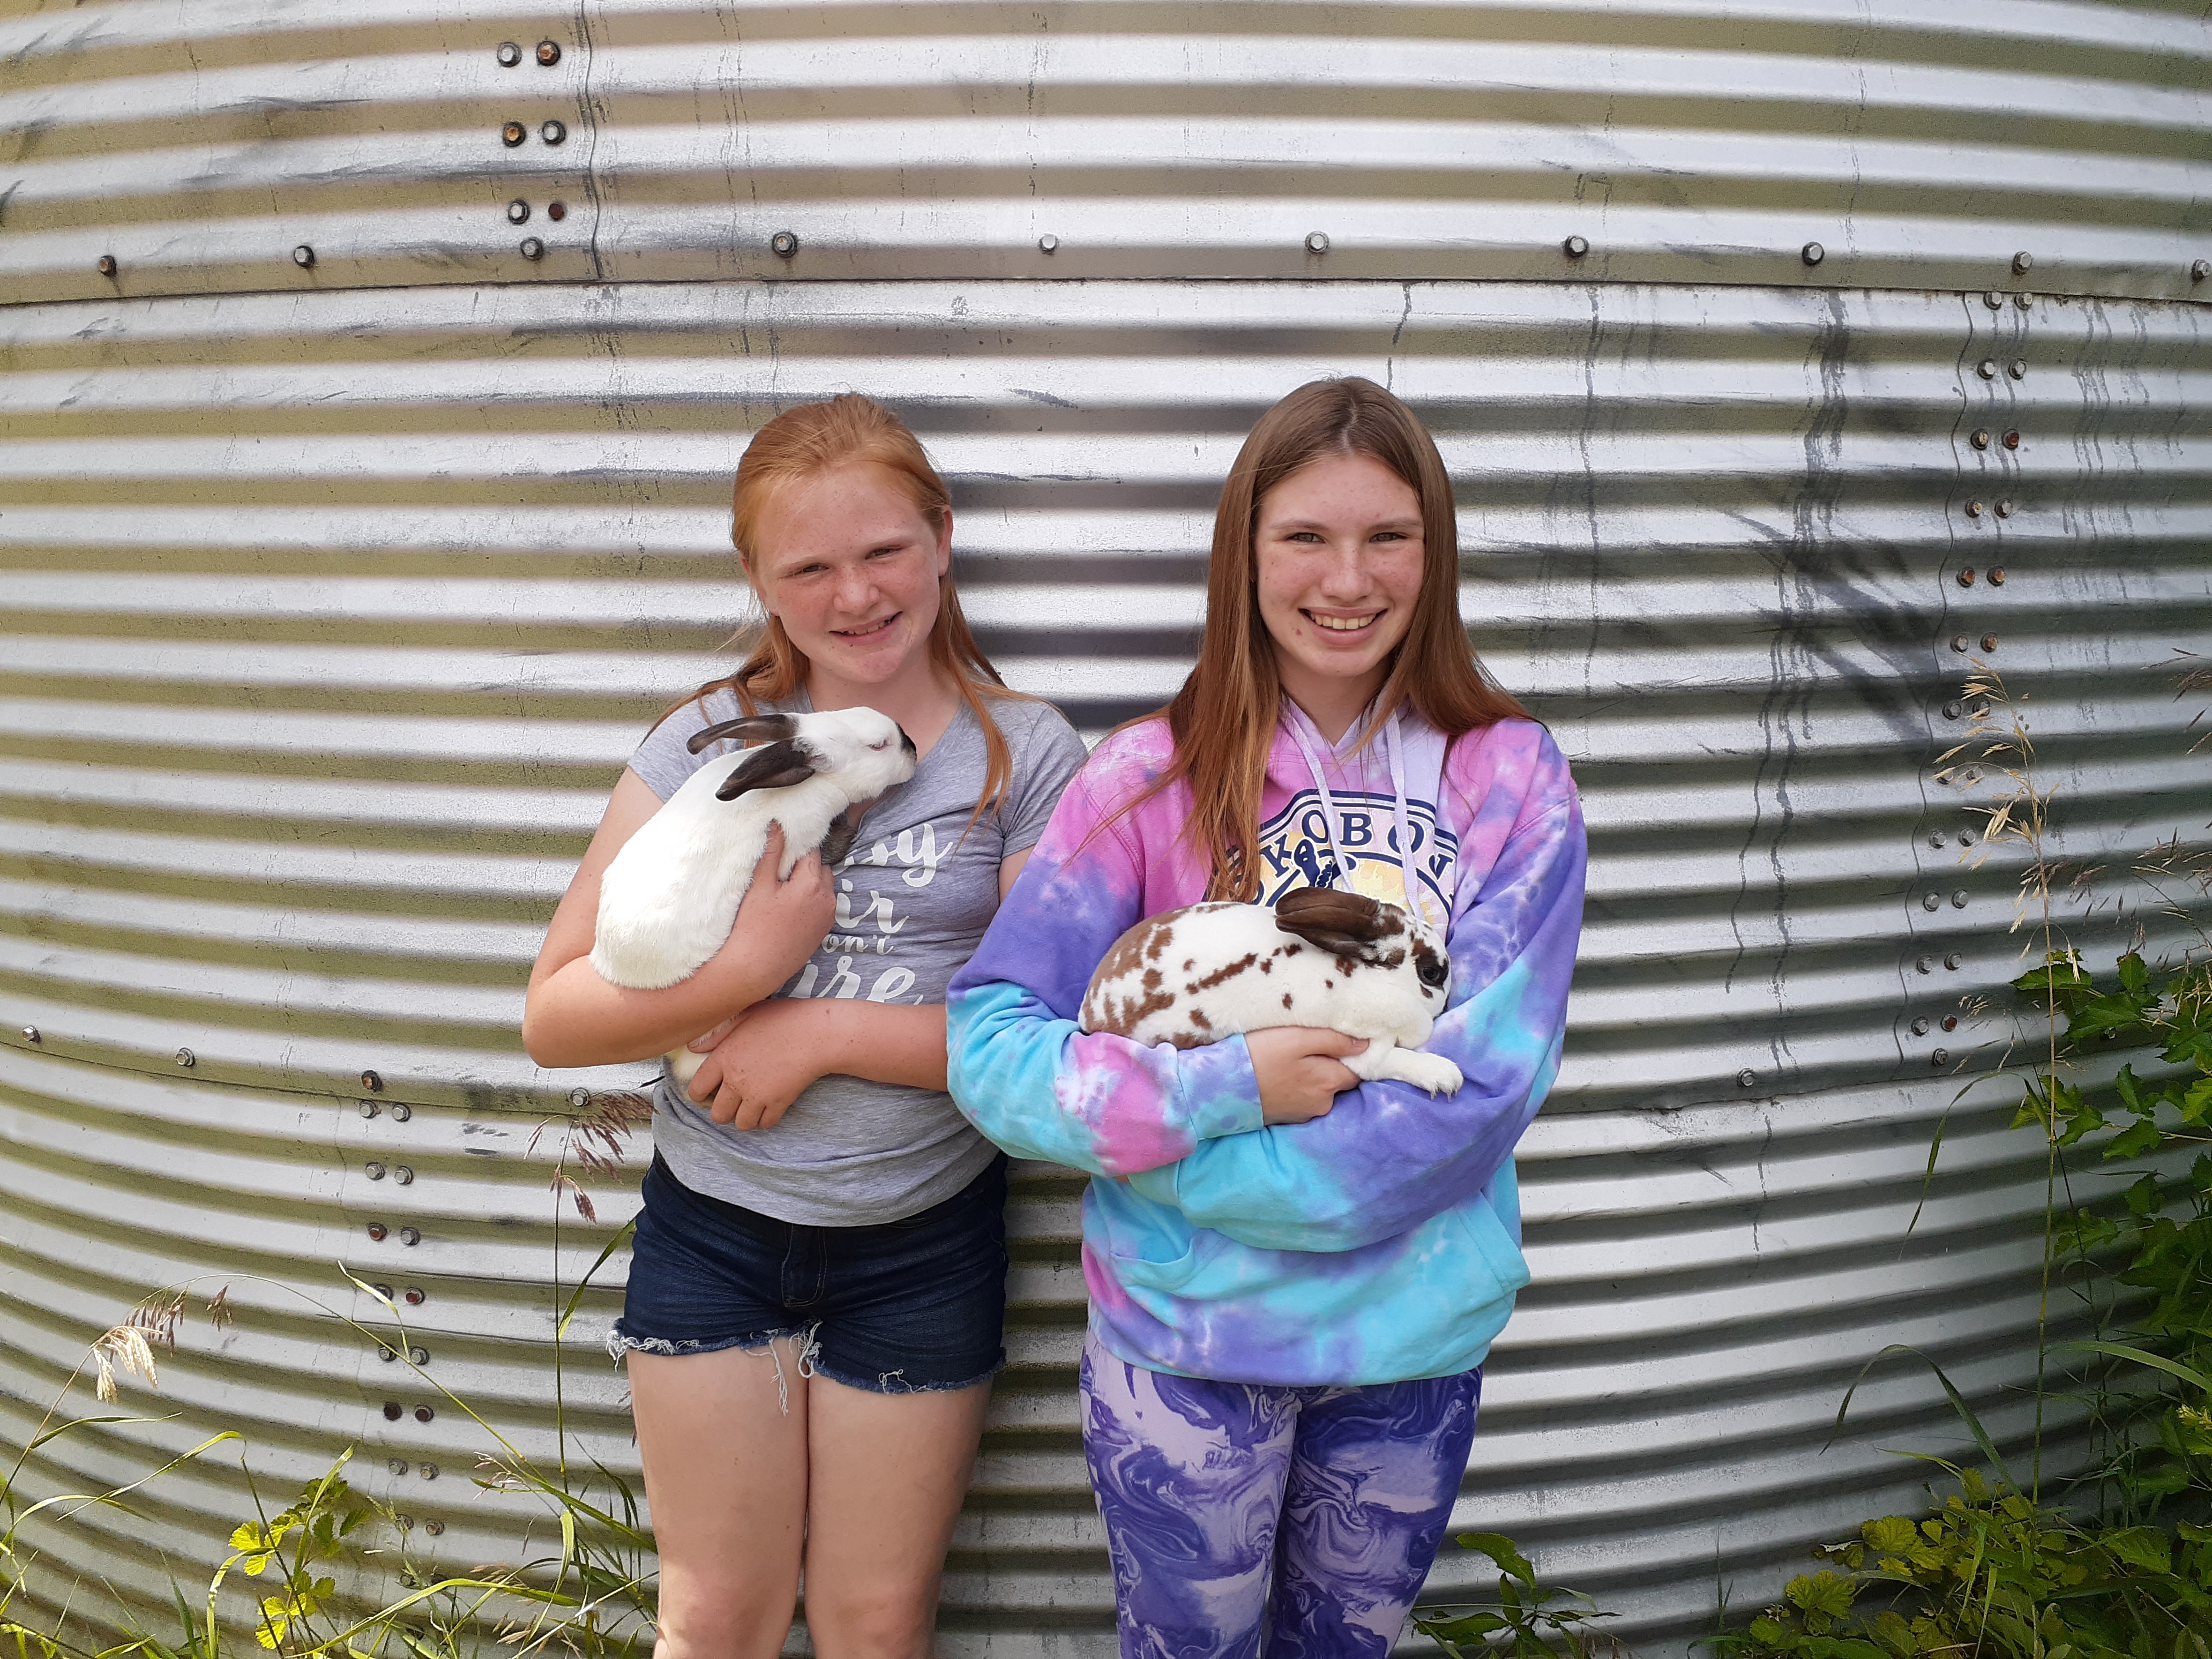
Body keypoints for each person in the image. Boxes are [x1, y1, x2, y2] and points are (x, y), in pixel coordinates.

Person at [944, 378, 1586, 1658]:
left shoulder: (1512, 776)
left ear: (1434, 551)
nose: (1347, 579)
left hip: (1408, 1341)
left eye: (1386, 537)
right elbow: (991, 1046)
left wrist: (1197, 1179)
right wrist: (1225, 1091)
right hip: (1187, 1346)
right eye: (1304, 536)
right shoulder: (1146, 778)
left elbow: (1490, 1081)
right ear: (1245, 552)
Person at [522, 394, 1088, 1659]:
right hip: (715, 1230)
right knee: (715, 1615)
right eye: (810, 567)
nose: (856, 594)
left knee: (873, 1621)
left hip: (922, 1244)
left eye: (885, 550)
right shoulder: (707, 743)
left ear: (943, 538)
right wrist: (742, 979)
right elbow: (555, 1016)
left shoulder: (1027, 757)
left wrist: (814, 1029)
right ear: (760, 584)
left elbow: (1046, 1040)